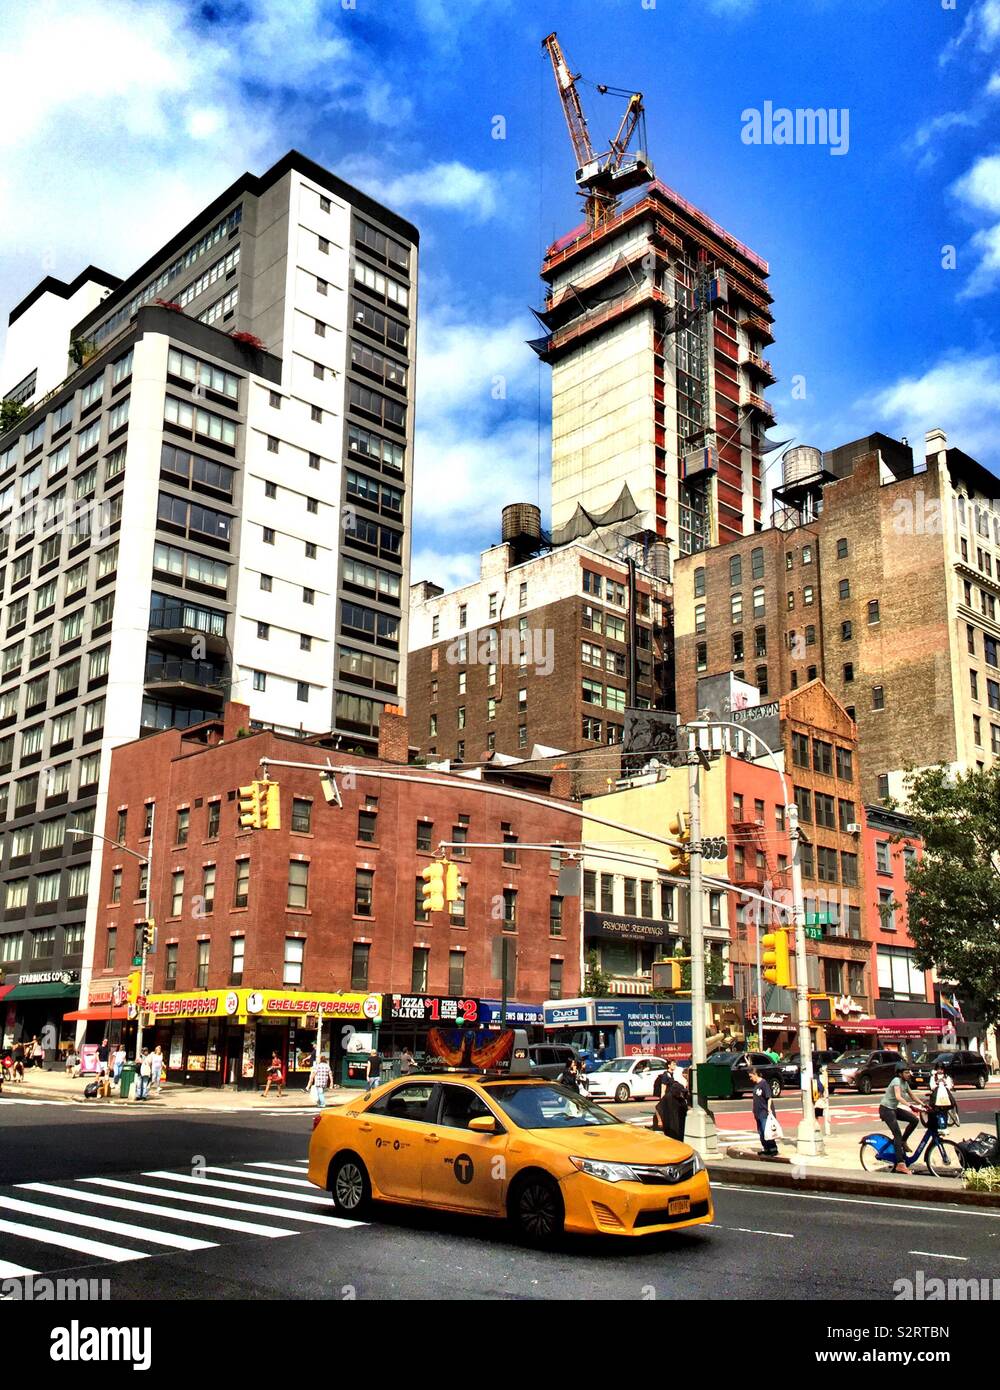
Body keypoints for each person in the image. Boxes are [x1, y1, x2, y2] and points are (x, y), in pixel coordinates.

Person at [879, 1064, 926, 1174]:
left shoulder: (905, 1083)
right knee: (897, 1135)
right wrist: (911, 1106)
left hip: (893, 1109)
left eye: (909, 1072)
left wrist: (923, 1104)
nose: (909, 1074)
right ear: (900, 1074)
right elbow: (898, 1097)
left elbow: (912, 1095)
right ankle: (900, 1164)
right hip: (886, 1110)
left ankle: (903, 1141)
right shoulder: (896, 1081)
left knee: (914, 1120)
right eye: (906, 1072)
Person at [654, 1061, 690, 1141]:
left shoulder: (680, 1100)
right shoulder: (665, 1075)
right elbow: (663, 1087)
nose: (675, 1066)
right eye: (673, 1064)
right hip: (670, 1124)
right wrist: (660, 1121)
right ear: (669, 1065)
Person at [750, 1066, 779, 1156]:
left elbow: (769, 1097)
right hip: (758, 1112)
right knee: (761, 1132)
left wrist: (769, 1108)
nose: (750, 1078)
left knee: (767, 1131)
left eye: (751, 1076)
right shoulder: (757, 1085)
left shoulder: (764, 1083)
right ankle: (766, 1148)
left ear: (755, 1074)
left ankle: (773, 1148)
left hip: (764, 1112)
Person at [928, 1065, 957, 1130]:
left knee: (945, 1111)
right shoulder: (933, 1077)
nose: (940, 1071)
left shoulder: (947, 1077)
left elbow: (949, 1086)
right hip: (937, 1096)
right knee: (937, 1111)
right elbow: (932, 1086)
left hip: (945, 1096)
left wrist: (945, 1083)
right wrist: (937, 1083)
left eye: (941, 1069)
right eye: (938, 1069)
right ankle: (939, 1125)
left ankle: (944, 1125)